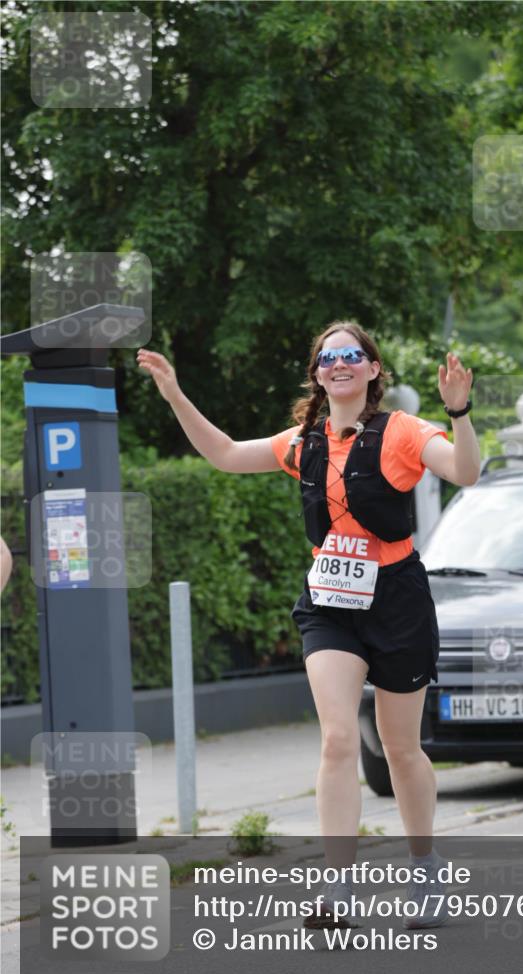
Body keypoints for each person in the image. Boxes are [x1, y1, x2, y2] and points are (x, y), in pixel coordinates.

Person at [137, 320, 479, 930]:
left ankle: (424, 868)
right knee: (338, 739)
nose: (340, 363)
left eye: (352, 355)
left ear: (373, 369)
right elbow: (223, 454)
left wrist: (460, 411)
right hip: (329, 600)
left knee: (400, 749)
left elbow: (466, 471)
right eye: (328, 357)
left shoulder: (401, 433)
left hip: (397, 598)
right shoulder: (304, 442)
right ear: (317, 372)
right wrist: (175, 395)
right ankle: (340, 887)